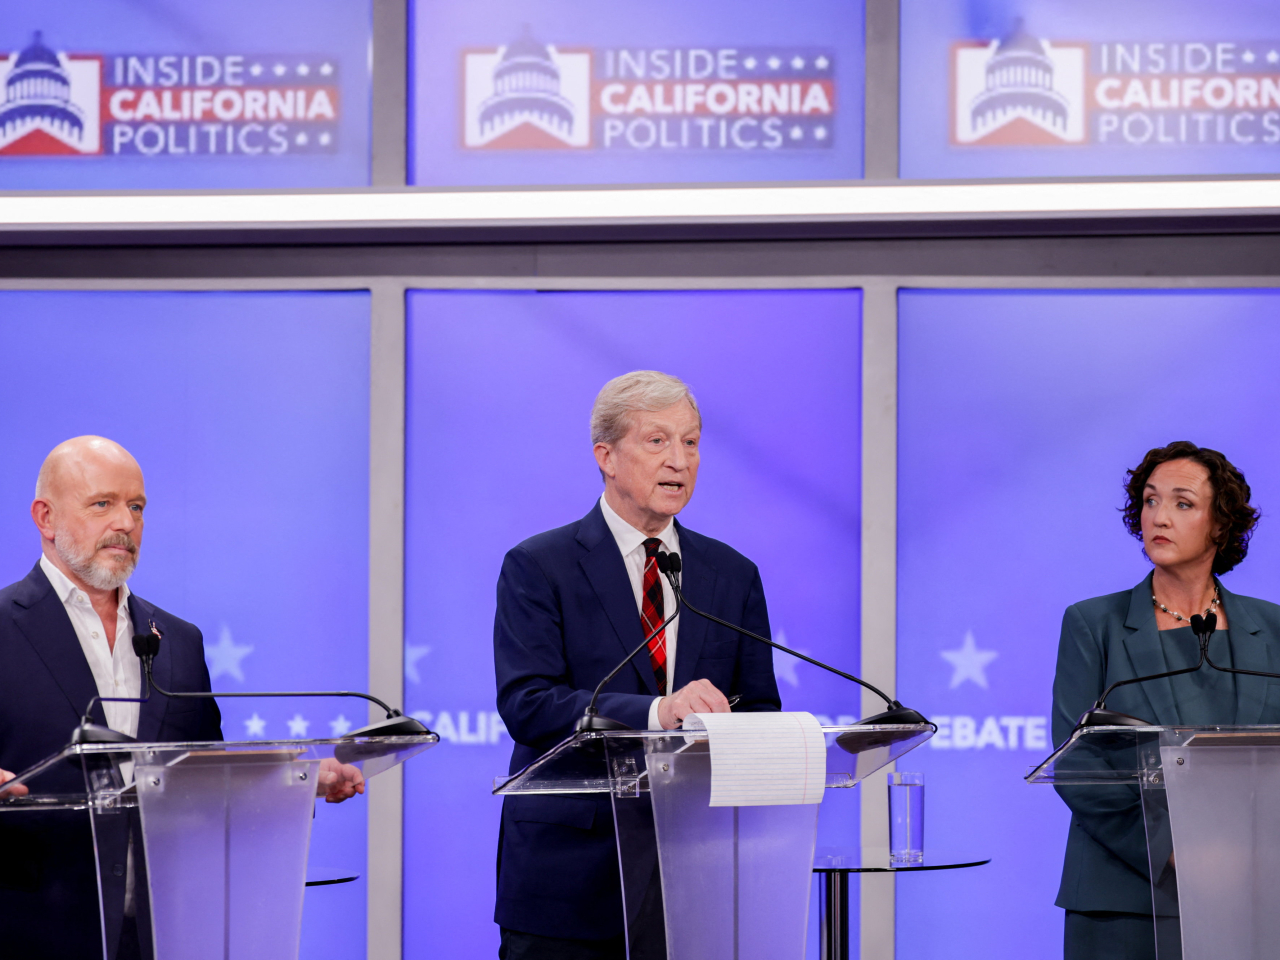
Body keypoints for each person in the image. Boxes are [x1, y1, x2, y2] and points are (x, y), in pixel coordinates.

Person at [0, 437, 362, 960]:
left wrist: (297, 781)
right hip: (31, 931)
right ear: (46, 517)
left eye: (137, 507)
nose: (125, 522)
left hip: (164, 933)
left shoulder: (177, 640)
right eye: (103, 503)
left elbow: (205, 777)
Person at [493, 371, 782, 960]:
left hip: (697, 877)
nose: (680, 459)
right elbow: (530, 704)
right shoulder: (538, 566)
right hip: (569, 879)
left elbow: (758, 708)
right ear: (606, 456)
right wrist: (658, 711)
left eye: (692, 442)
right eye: (657, 441)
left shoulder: (732, 575)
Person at [1052, 441, 1280, 960]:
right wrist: (1173, 850)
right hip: (1125, 897)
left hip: (1254, 894)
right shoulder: (1094, 624)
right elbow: (1076, 760)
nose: (1159, 516)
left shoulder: (1273, 629)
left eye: (1182, 503)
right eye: (1150, 501)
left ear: (1221, 524)